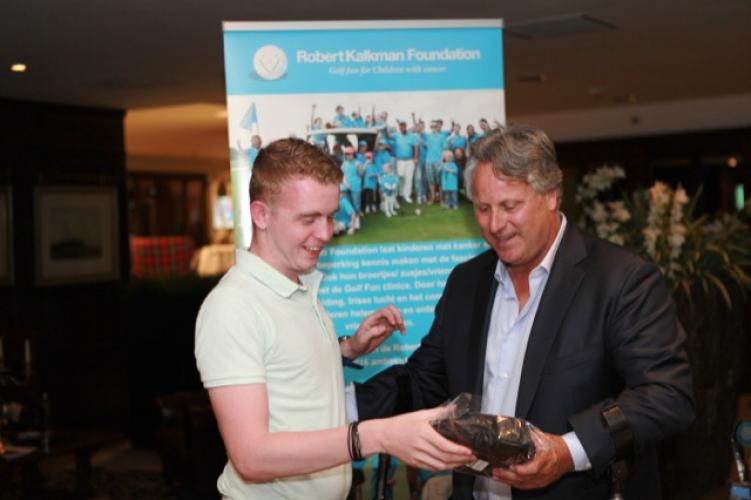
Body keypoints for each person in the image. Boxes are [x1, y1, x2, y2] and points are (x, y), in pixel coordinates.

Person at [355, 125, 695, 499]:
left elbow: (667, 395)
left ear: (551, 195)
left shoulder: (621, 279)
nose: (495, 225)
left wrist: (567, 452)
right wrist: (339, 405)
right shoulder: (467, 283)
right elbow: (423, 381)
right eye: (483, 209)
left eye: (509, 206)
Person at [194, 138, 472, 499]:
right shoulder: (233, 307)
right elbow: (251, 456)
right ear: (261, 215)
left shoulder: (299, 285)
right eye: (308, 219)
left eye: (330, 216)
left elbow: (282, 368)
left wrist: (348, 348)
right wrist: (378, 435)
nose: (326, 233)